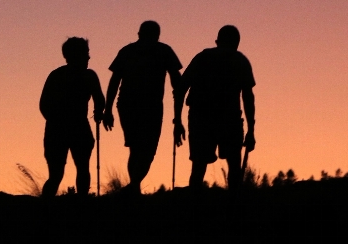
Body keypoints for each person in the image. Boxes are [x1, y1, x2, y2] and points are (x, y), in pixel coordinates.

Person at [102, 21, 183, 194]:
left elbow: (178, 84)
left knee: (138, 149)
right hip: (140, 106)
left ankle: (133, 186)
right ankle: (134, 187)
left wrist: (108, 110)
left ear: (139, 33)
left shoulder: (130, 51)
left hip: (132, 105)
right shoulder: (162, 50)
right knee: (145, 150)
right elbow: (178, 83)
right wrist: (107, 110)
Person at [174, 25, 256, 190]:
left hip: (200, 118)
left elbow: (181, 89)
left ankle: (194, 206)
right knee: (234, 165)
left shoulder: (202, 58)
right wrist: (251, 129)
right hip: (230, 119)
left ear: (217, 41)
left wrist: (177, 121)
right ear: (237, 43)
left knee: (198, 166)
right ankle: (233, 206)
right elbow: (248, 97)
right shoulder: (240, 60)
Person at [39, 37, 105, 197]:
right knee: (77, 169)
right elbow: (100, 99)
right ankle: (80, 203)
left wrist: (98, 111)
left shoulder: (57, 75)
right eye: (86, 53)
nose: (89, 57)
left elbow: (44, 105)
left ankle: (46, 206)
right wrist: (98, 112)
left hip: (59, 129)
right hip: (74, 128)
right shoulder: (88, 76)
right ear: (77, 55)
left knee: (59, 174)